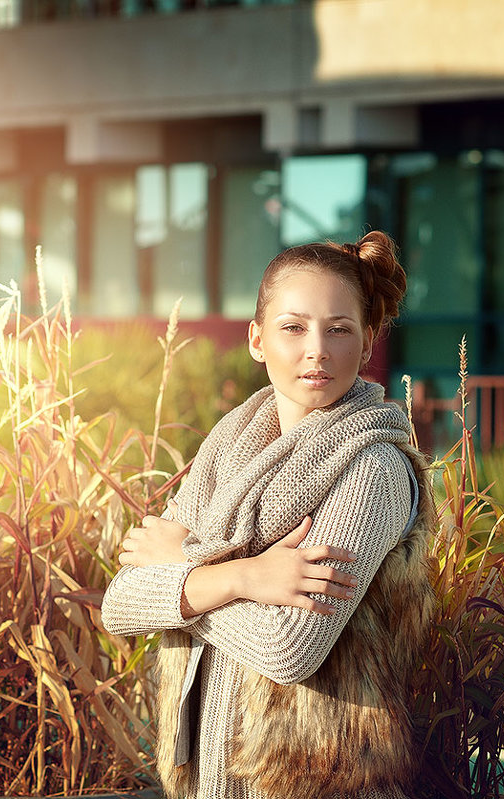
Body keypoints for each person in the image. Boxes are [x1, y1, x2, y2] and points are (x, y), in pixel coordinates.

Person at [100, 231, 436, 799]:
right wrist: (242, 576)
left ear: (368, 339)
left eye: (339, 329)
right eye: (293, 327)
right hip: (211, 773)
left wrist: (180, 571)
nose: (317, 350)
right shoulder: (230, 446)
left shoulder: (372, 471)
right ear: (256, 339)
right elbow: (120, 604)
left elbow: (289, 648)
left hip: (320, 778)